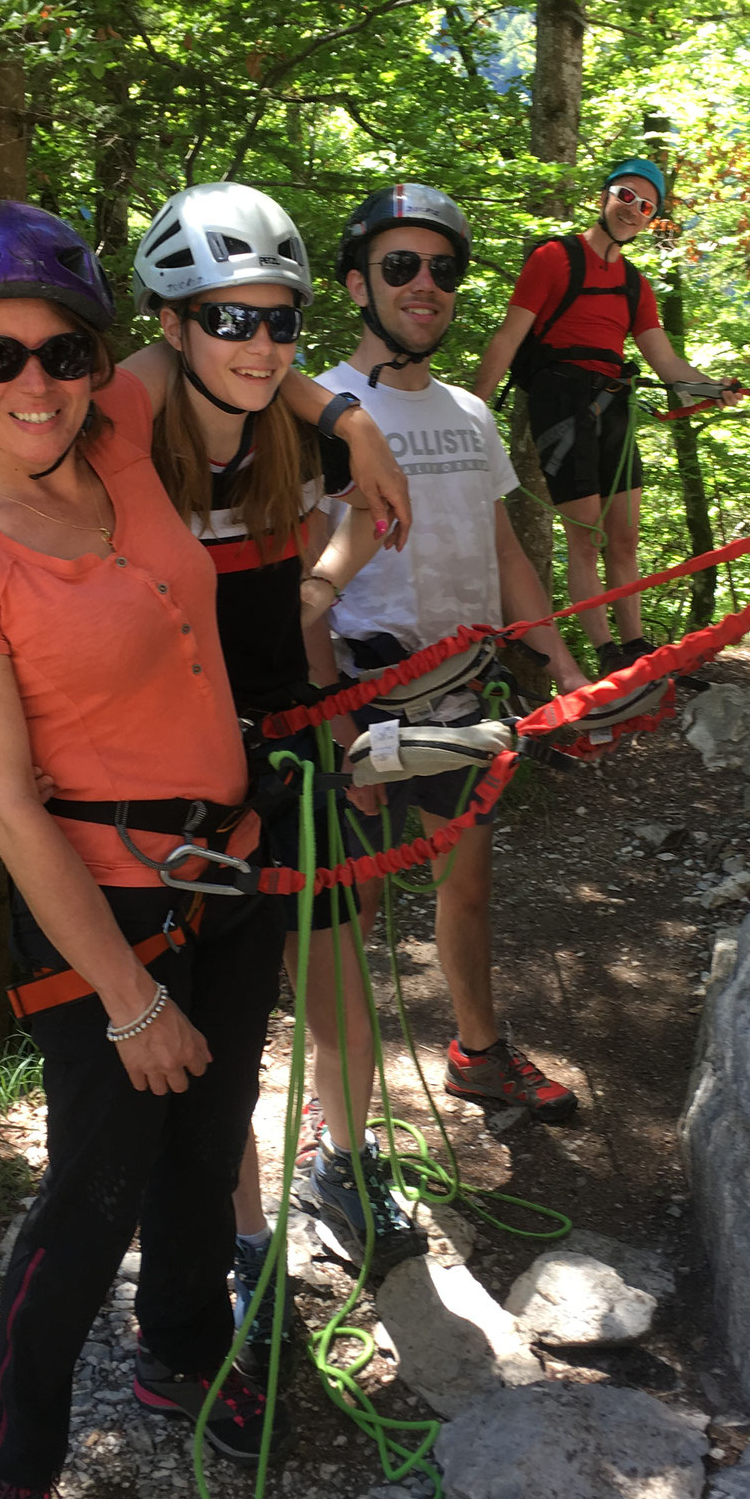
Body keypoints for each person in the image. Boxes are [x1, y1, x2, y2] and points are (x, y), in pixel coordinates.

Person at [0, 202, 403, 1499]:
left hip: (225, 863)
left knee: (208, 1127)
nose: (33, 380)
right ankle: (9, 1471)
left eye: (59, 350)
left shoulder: (108, 437)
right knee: (95, 1188)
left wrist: (340, 416)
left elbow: (234, 348)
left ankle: (181, 1351)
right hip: (105, 905)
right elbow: (5, 807)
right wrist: (124, 994)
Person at [119, 182, 428, 1357]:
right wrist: (340, 408)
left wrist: (320, 583)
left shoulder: (293, 427)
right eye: (229, 319)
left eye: (280, 321)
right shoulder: (131, 429)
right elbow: (134, 381)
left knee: (338, 971)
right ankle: (245, 1231)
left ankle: (346, 1166)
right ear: (175, 319)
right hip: (183, 760)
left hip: (289, 733)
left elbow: (364, 515)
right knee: (224, 1020)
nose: (261, 344)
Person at [318, 182, 587, 1127]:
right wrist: (330, 709)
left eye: (442, 268)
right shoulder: (318, 411)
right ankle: (337, 1109)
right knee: (342, 916)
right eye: (400, 266)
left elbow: (504, 547)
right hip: (353, 689)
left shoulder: (471, 414)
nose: (424, 284)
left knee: (464, 885)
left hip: (460, 691)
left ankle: (478, 1053)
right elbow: (290, 573)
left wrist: (561, 661)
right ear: (358, 284)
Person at [472, 158, 735, 675]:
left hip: (613, 402)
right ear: (604, 197)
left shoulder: (636, 285)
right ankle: (606, 650)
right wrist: (472, 412)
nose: (634, 210)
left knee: (625, 535)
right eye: (626, 196)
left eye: (647, 206)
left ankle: (634, 645)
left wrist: (712, 387)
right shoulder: (554, 258)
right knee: (585, 535)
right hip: (561, 403)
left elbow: (666, 362)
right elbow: (509, 337)